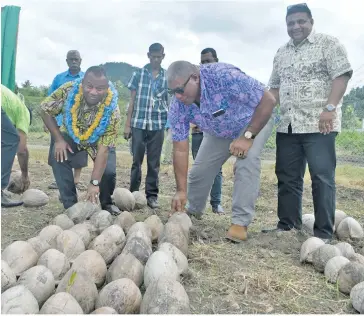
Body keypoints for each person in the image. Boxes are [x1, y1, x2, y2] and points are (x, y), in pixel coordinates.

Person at [263, 3, 353, 241]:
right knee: (287, 176)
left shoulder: (328, 44)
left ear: (311, 22)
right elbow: (274, 88)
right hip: (288, 125)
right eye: (291, 23)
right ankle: (287, 226)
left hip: (319, 124)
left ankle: (323, 233)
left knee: (322, 178)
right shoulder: (281, 52)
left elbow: (341, 76)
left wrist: (329, 108)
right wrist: (263, 110)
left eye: (301, 21)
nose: (296, 27)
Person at [167, 61, 276, 242]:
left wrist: (247, 137)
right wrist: (180, 190)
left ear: (195, 78)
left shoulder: (224, 76)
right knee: (199, 172)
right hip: (218, 130)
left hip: (253, 120)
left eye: (180, 90)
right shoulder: (178, 105)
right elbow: (180, 148)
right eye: (173, 92)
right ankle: (192, 211)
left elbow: (269, 100)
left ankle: (240, 223)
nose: (177, 96)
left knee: (246, 162)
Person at [40, 66, 121, 215]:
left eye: (100, 88)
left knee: (108, 172)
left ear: (107, 88)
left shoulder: (113, 112)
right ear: (82, 82)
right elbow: (45, 109)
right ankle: (70, 205)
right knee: (58, 156)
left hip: (99, 140)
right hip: (72, 135)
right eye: (89, 86)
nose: (93, 92)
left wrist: (94, 182)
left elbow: (103, 150)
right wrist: (58, 139)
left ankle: (106, 203)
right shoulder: (68, 90)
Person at [124, 43, 168, 209]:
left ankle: (152, 196)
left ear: (163, 56)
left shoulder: (167, 77)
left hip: (157, 124)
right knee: (136, 160)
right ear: (148, 55)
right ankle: (133, 194)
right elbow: (132, 100)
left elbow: (168, 101)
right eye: (153, 56)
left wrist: (168, 123)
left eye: (159, 57)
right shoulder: (138, 74)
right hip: (139, 123)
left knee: (154, 162)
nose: (156, 59)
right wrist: (127, 124)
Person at [46, 50, 88, 191]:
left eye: (76, 59)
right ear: (67, 61)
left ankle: (76, 180)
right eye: (71, 59)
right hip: (59, 122)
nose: (74, 62)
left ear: (81, 60)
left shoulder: (86, 78)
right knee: (57, 150)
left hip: (79, 123)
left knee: (80, 152)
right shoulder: (59, 78)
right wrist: (47, 122)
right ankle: (58, 180)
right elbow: (49, 100)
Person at [190, 47, 224, 215]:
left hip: (216, 132)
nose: (205, 65)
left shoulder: (222, 83)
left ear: (216, 61)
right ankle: (197, 205)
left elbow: (224, 109)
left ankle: (216, 203)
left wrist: (208, 119)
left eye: (208, 61)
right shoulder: (196, 83)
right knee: (199, 169)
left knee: (216, 169)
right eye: (202, 62)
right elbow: (190, 105)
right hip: (197, 132)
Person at [1, 84, 31, 207]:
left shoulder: (11, 106)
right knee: (12, 140)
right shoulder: (24, 113)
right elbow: (21, 149)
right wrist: (25, 176)